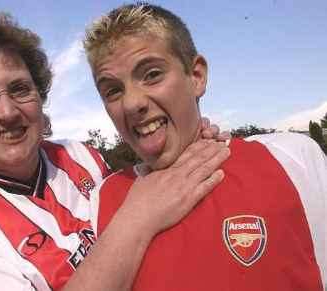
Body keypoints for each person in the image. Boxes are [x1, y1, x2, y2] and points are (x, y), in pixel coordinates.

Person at [0, 10, 230, 291]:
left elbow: (161, 206)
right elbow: (142, 215)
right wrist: (136, 220)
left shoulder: (80, 157)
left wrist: (187, 147)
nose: (7, 112)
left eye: (20, 89)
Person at [83, 2, 327, 291]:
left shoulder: (291, 157)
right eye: (113, 90)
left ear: (196, 76)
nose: (132, 102)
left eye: (151, 74)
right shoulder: (101, 201)